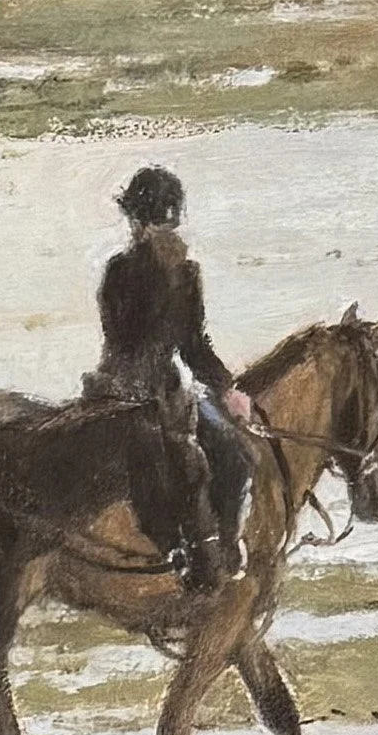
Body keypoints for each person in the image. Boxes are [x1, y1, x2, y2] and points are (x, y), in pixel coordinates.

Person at [88, 165, 254, 587]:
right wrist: (160, 277)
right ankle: (190, 551)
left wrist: (227, 388)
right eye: (152, 221)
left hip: (162, 387)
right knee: (188, 462)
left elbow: (194, 346)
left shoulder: (185, 274)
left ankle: (227, 543)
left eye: (165, 220)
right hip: (128, 390)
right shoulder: (123, 274)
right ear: (140, 223)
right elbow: (125, 339)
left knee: (236, 453)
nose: (159, 230)